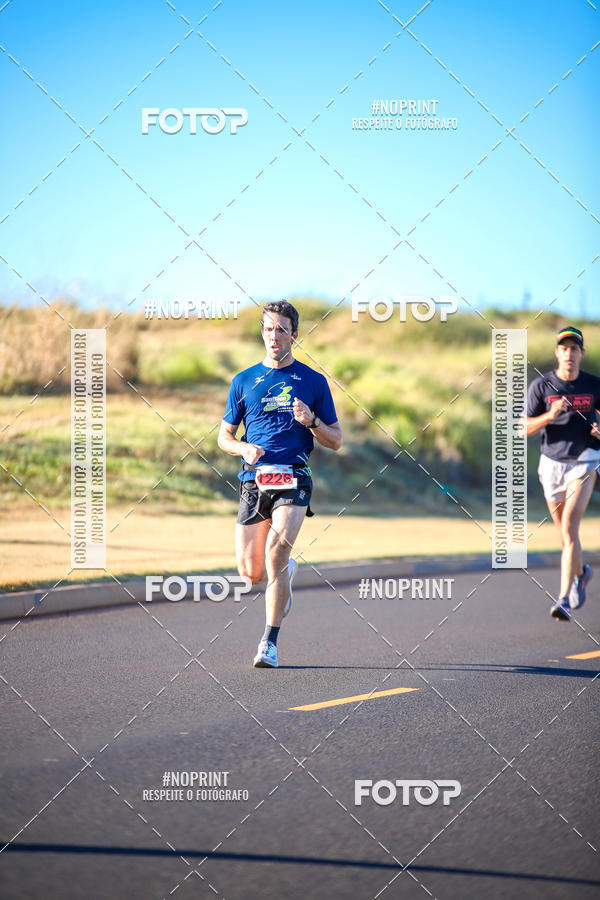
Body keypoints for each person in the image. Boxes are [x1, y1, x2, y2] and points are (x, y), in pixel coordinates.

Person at [217, 300, 343, 666]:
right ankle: (285, 575)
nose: (275, 336)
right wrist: (244, 447)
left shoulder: (313, 382)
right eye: (269, 329)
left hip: (294, 477)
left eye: (282, 330)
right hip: (252, 480)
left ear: (295, 336)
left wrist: (312, 421)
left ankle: (268, 644)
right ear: (262, 332)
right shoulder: (243, 381)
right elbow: (223, 437)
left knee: (277, 550)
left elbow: (336, 440)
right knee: (251, 572)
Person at [525, 326, 600, 620]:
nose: (569, 353)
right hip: (552, 464)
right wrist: (549, 416)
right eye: (564, 348)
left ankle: (564, 599)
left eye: (574, 348)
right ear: (557, 352)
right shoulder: (541, 387)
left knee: (570, 528)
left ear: (582, 353)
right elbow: (523, 428)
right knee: (564, 535)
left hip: (585, 459)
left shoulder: (594, 385)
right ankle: (581, 573)